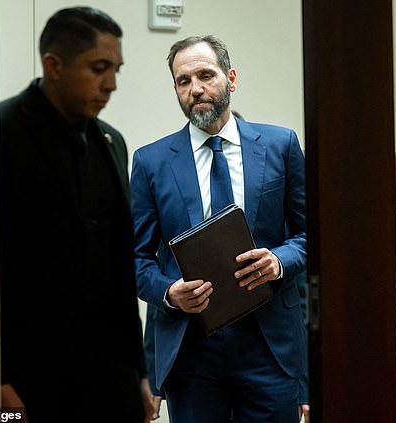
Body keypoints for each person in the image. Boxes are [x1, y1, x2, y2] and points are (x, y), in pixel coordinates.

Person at [130, 35, 308, 422]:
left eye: (205, 75)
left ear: (230, 78)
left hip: (270, 343)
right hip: (192, 348)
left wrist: (278, 261)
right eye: (183, 81)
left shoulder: (282, 145)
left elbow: (312, 236)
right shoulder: (150, 162)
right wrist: (169, 293)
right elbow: (136, 259)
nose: (195, 89)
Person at [0, 7, 154, 422]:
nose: (112, 84)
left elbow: (121, 266)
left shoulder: (111, 142)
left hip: (110, 376)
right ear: (53, 65)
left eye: (116, 69)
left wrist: (139, 373)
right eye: (99, 68)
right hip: (28, 374)